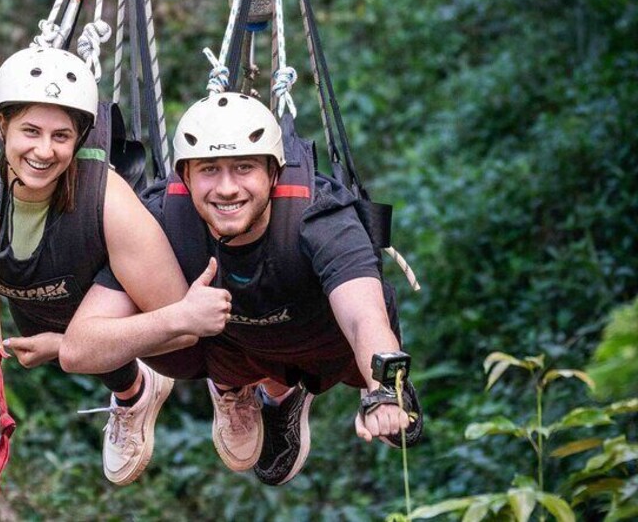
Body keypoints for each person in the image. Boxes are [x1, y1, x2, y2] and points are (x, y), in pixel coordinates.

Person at [0, 46, 230, 486]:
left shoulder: (108, 199)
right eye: (30, 131)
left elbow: (179, 327)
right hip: (38, 298)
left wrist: (71, 346)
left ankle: (180, 387)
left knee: (91, 341)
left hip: (110, 284)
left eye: (61, 137)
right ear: (1, 126)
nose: (43, 151)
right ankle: (132, 390)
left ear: (79, 139)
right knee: (55, 330)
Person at [60, 92, 422, 486]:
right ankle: (261, 391)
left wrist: (384, 388)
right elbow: (78, 349)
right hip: (236, 349)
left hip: (321, 340)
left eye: (244, 168)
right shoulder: (163, 220)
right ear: (185, 176)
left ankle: (301, 388)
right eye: (209, 170)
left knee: (370, 335)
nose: (227, 188)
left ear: (273, 173)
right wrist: (177, 318)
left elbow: (362, 314)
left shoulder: (321, 216)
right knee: (172, 342)